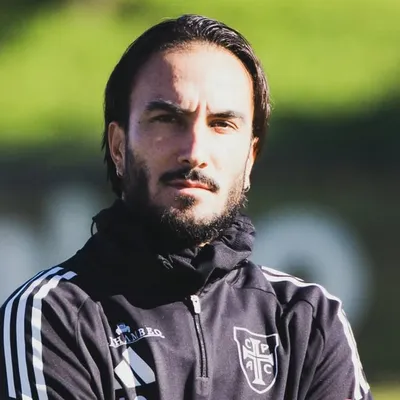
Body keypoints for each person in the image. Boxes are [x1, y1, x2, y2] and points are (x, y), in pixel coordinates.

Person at [0, 14, 372, 400]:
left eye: (222, 124)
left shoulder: (307, 319)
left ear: (250, 158)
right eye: (167, 119)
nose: (194, 152)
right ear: (118, 147)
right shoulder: (51, 316)